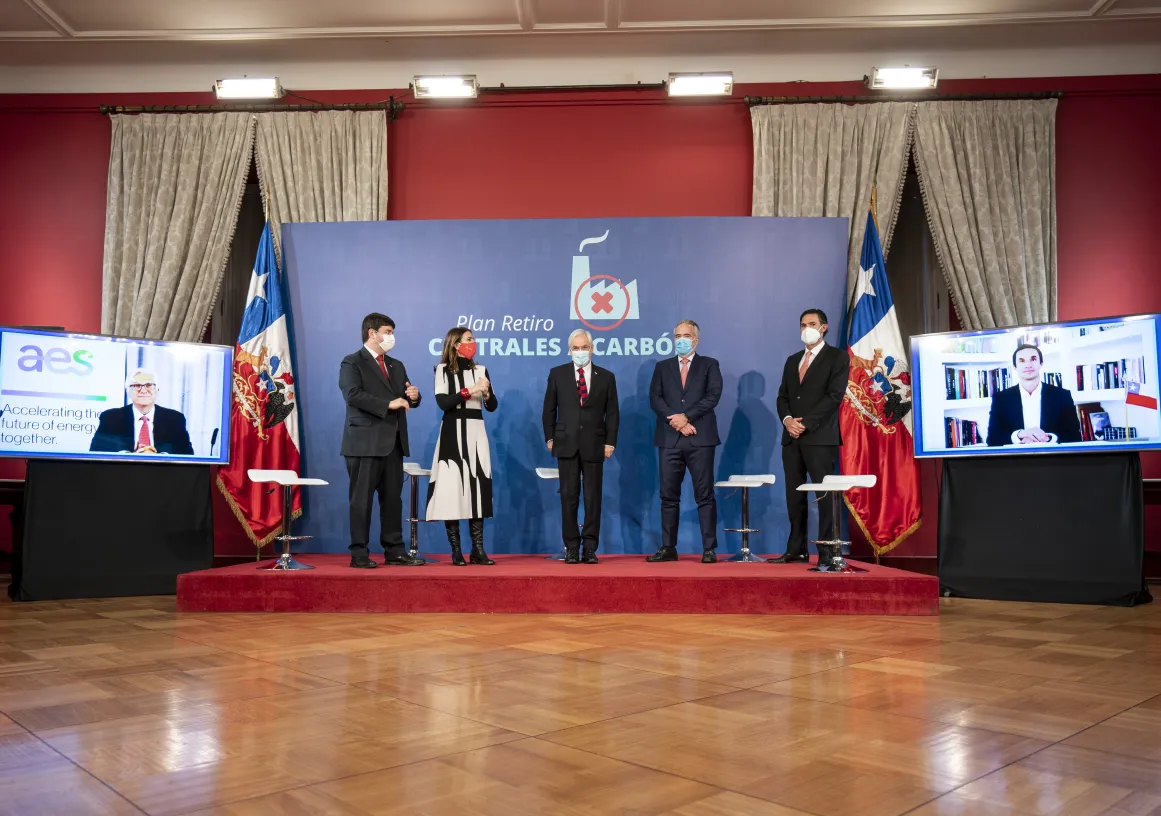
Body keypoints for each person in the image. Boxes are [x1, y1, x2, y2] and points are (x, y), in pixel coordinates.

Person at [339, 312, 424, 569]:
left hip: (393, 443)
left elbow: (405, 399)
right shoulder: (352, 362)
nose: (391, 337)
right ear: (372, 333)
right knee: (361, 501)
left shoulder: (396, 365)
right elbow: (352, 395)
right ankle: (359, 553)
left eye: (392, 332)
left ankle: (395, 550)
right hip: (364, 442)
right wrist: (388, 404)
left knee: (393, 500)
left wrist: (414, 396)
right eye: (387, 332)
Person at [770, 308, 850, 564]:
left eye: (812, 324)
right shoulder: (792, 360)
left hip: (820, 436)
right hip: (792, 438)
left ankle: (827, 550)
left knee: (824, 496)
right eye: (803, 325)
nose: (807, 329)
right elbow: (783, 397)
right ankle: (797, 548)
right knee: (794, 496)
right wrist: (787, 420)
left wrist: (805, 423)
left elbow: (834, 396)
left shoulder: (837, 357)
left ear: (824, 327)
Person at [645, 320, 723, 563]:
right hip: (670, 440)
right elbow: (655, 398)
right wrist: (677, 422)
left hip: (700, 439)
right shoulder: (662, 367)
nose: (681, 340)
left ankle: (709, 548)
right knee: (668, 496)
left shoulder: (709, 365)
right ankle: (668, 547)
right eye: (677, 336)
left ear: (695, 340)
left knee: (704, 495)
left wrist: (687, 417)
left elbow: (713, 396)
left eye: (686, 336)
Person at [542, 328, 619, 564]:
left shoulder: (606, 376)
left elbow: (612, 413)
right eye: (575, 348)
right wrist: (550, 437)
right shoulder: (557, 374)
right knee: (568, 497)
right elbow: (549, 409)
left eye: (584, 347)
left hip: (595, 444)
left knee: (593, 498)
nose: (580, 351)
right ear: (569, 350)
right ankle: (572, 547)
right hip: (565, 443)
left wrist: (610, 442)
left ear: (592, 349)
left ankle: (590, 548)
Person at [426, 328, 498, 566]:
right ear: (455, 344)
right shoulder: (442, 370)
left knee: (478, 486)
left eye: (473, 339)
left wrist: (486, 393)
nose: (472, 343)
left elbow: (492, 406)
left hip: (477, 431)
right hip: (452, 431)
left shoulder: (481, 370)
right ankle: (456, 550)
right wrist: (470, 390)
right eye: (468, 339)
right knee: (451, 487)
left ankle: (478, 549)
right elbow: (443, 402)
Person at [986, 343, 1082, 446]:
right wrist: (1020, 435)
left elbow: (1075, 436)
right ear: (1015, 367)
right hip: (1016, 456)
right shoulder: (1001, 399)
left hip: (1051, 455)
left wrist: (1048, 438)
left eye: (1033, 359)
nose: (1028, 365)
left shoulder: (1062, 395)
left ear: (1041, 363)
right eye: (1022, 361)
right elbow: (992, 439)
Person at [90, 370, 194, 455]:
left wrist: (159, 457)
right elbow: (96, 451)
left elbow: (187, 453)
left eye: (149, 385)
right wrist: (131, 457)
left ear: (157, 389)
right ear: (127, 391)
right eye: (136, 385)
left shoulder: (174, 419)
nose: (143, 390)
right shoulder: (111, 417)